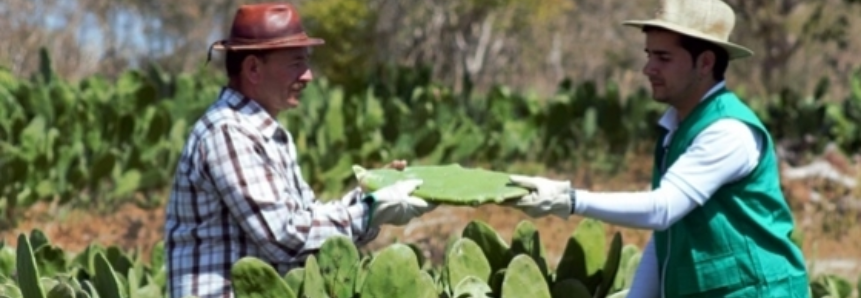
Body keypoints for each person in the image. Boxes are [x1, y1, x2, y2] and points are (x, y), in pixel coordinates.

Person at [505, 0, 809, 297]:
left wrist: (568, 200)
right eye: (649, 55)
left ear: (705, 62)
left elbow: (661, 210)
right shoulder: (678, 127)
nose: (648, 68)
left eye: (663, 58)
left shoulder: (727, 131)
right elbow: (668, 232)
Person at [163, 3, 436, 298]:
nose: (308, 76)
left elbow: (306, 216)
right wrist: (370, 212)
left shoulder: (267, 133)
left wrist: (372, 196)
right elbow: (284, 236)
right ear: (253, 68)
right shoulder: (228, 133)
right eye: (295, 63)